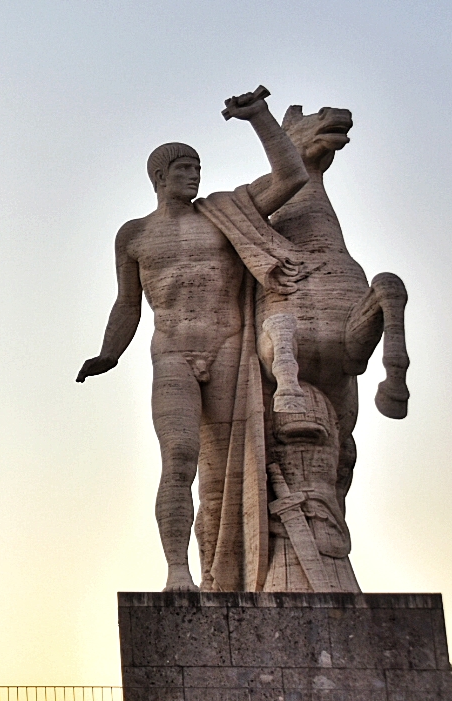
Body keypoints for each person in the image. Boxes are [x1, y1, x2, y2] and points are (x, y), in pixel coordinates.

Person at [77, 87, 308, 591]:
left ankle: (232, 573)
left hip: (228, 343)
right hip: (172, 353)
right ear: (160, 177)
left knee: (231, 464)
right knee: (179, 456)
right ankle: (178, 570)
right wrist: (108, 353)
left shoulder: (226, 213)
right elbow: (127, 304)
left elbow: (293, 177)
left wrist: (260, 118)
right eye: (185, 168)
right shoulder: (134, 234)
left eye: (198, 167)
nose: (195, 175)